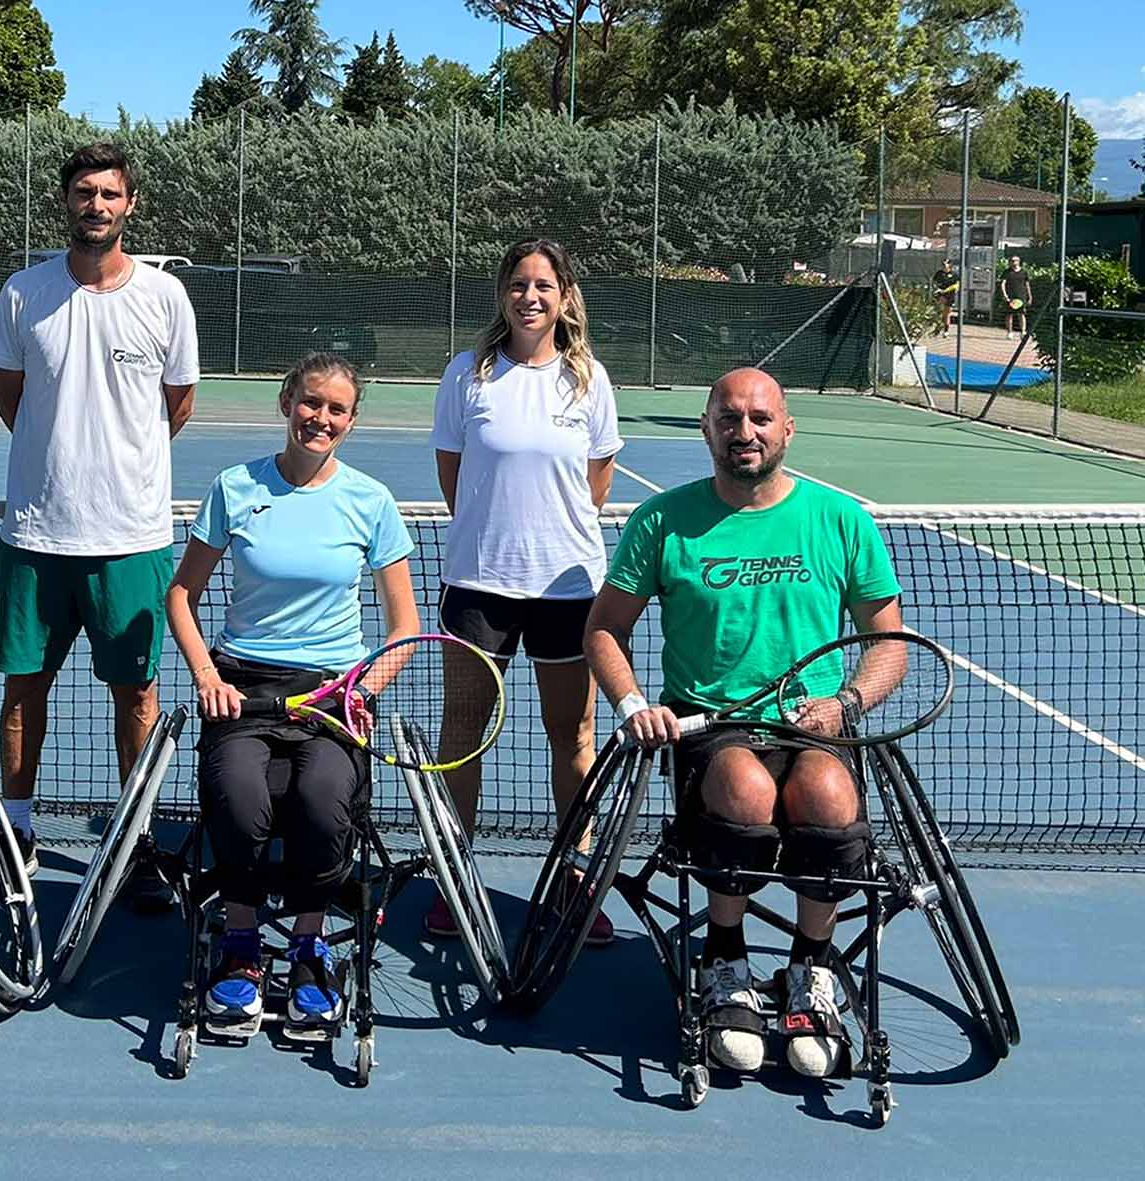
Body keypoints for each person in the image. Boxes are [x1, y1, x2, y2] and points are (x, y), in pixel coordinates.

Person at [585, 367, 903, 1081]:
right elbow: (604, 629)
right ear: (707, 428)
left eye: (760, 418)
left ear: (787, 427)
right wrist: (635, 704)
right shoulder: (661, 521)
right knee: (744, 788)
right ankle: (723, 957)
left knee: (827, 796)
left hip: (813, 724)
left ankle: (809, 969)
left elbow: (889, 641)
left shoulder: (841, 520)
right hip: (710, 725)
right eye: (728, 418)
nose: (744, 432)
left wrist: (846, 703)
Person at [166, 353, 417, 1027]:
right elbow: (181, 595)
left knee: (323, 797)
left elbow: (405, 626)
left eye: (337, 409)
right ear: (286, 403)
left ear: (352, 421)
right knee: (240, 798)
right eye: (311, 403)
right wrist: (207, 677)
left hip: (332, 693)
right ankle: (241, 940)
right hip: (243, 688)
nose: (321, 418)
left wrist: (366, 688)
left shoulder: (370, 501)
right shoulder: (234, 487)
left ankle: (310, 943)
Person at [0, 141, 199, 901]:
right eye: (84, 193)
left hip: (132, 538)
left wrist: (114, 467)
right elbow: (12, 397)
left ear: (129, 204)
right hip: (36, 536)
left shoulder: (166, 297)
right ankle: (16, 830)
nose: (96, 205)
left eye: (110, 194)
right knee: (23, 690)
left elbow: (177, 404)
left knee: (136, 695)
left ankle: (136, 841)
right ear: (66, 202)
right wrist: (59, 460)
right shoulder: (21, 293)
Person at [427, 239, 622, 943]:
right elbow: (454, 477)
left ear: (565, 295)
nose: (530, 295)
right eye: (518, 283)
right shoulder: (466, 375)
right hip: (479, 588)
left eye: (544, 284)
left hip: (570, 590)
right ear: (503, 294)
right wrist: (498, 535)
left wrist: (550, 536)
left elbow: (595, 483)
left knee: (572, 737)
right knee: (463, 736)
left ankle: (574, 876)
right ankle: (454, 876)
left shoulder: (589, 380)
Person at [1000, 256, 1032, 338]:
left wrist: (1030, 296)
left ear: (1018, 261)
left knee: (1021, 314)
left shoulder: (1024, 272)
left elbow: (1027, 285)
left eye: (1014, 261)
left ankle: (1023, 332)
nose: (1012, 262)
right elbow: (1003, 283)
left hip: (1021, 297)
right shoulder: (1007, 272)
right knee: (1009, 315)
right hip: (1010, 297)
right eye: (1010, 261)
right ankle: (1009, 332)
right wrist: (1005, 294)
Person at [931, 259, 959, 335]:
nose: (943, 265)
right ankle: (937, 327)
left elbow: (956, 286)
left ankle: (946, 330)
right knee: (939, 311)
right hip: (940, 294)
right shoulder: (939, 273)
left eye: (946, 264)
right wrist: (937, 289)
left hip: (950, 295)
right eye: (943, 264)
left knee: (946, 313)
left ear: (950, 265)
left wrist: (946, 290)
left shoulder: (954, 274)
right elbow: (934, 282)